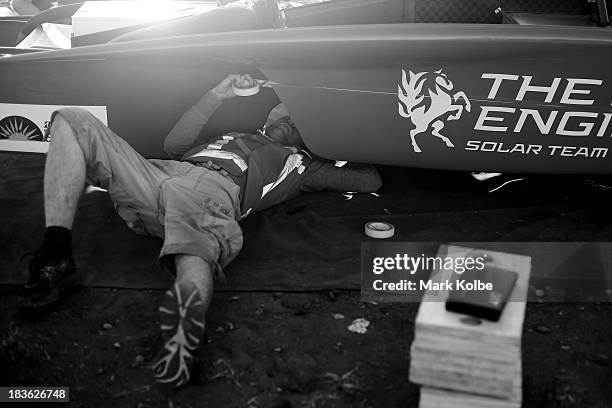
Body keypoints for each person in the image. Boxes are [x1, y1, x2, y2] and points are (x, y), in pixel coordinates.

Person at [23, 74, 382, 387]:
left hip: (210, 195)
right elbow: (173, 145)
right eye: (283, 111)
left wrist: (339, 139)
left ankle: (183, 341)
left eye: (296, 121)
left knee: (194, 249)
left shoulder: (305, 166)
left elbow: (369, 180)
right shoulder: (230, 136)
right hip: (158, 174)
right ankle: (55, 256)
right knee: (72, 119)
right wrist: (216, 94)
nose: (286, 118)